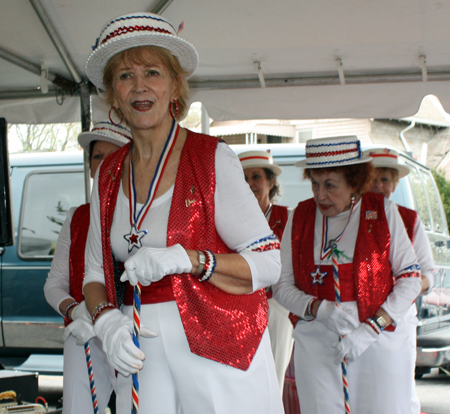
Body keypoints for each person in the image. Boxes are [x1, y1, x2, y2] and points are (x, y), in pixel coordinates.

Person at [82, 12, 284, 414]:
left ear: (174, 84)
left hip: (218, 344)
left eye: (152, 72)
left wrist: (190, 260)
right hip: (140, 347)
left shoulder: (212, 158)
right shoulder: (107, 172)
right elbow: (92, 275)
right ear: (112, 94)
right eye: (124, 76)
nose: (139, 86)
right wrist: (106, 321)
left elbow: (269, 262)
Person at [273, 136, 422, 414]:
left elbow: (411, 278)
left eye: (330, 185)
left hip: (377, 341)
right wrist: (319, 308)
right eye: (315, 184)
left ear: (354, 182)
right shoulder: (300, 216)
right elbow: (281, 285)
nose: (320, 195)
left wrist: (372, 327)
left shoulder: (384, 212)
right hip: (316, 342)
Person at [44, 120, 132, 414]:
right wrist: (77, 311)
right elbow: (53, 284)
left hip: (132, 333)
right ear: (91, 166)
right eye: (97, 156)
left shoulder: (143, 216)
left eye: (113, 155)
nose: (104, 162)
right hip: (84, 334)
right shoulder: (76, 218)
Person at [363, 147, 436, 414]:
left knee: (396, 393)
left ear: (394, 184)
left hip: (398, 322)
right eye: (373, 178)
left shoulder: (409, 219)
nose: (379, 185)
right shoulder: (349, 217)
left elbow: (428, 273)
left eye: (385, 179)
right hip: (358, 320)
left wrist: (404, 286)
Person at [238, 149, 293, 393]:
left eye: (256, 177)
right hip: (238, 306)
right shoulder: (230, 220)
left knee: (272, 380)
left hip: (277, 307)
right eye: (244, 179)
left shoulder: (289, 218)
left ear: (271, 182)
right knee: (241, 382)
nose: (249, 184)